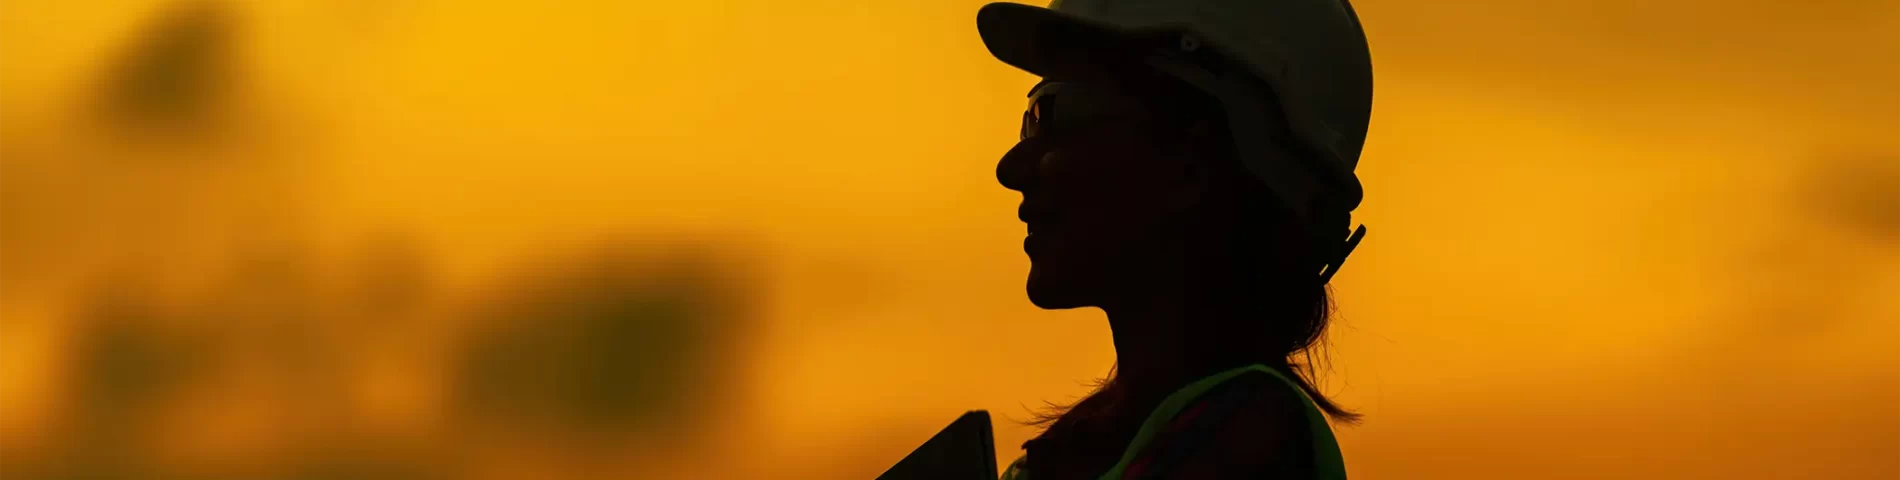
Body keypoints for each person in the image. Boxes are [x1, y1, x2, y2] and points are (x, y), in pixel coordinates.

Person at [975, 0, 1374, 478]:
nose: (1012, 168)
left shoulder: (1249, 441)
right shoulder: (1076, 453)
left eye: (1053, 115)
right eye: (1031, 119)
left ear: (1190, 162)